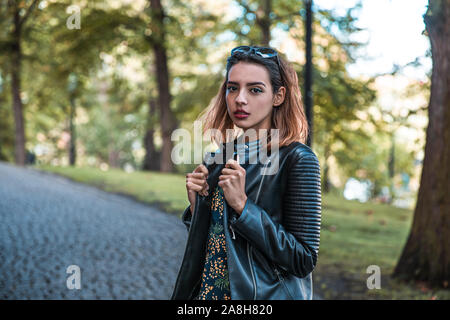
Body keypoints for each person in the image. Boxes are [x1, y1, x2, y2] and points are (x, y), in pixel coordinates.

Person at [171, 45, 321, 300]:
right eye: (233, 88)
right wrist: (199, 210)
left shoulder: (298, 159)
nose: (240, 98)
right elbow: (219, 247)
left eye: (255, 89)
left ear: (278, 96)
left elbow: (303, 259)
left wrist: (243, 206)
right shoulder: (218, 157)